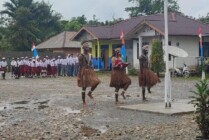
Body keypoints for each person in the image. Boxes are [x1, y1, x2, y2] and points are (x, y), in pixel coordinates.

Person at [77, 40, 101, 106]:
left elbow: (91, 63)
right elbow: (79, 66)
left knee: (97, 82)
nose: (88, 48)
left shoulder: (90, 55)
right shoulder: (81, 56)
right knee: (84, 87)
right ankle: (84, 102)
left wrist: (92, 68)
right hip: (84, 72)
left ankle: (90, 93)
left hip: (90, 71)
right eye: (86, 47)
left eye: (88, 47)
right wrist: (79, 76)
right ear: (83, 48)